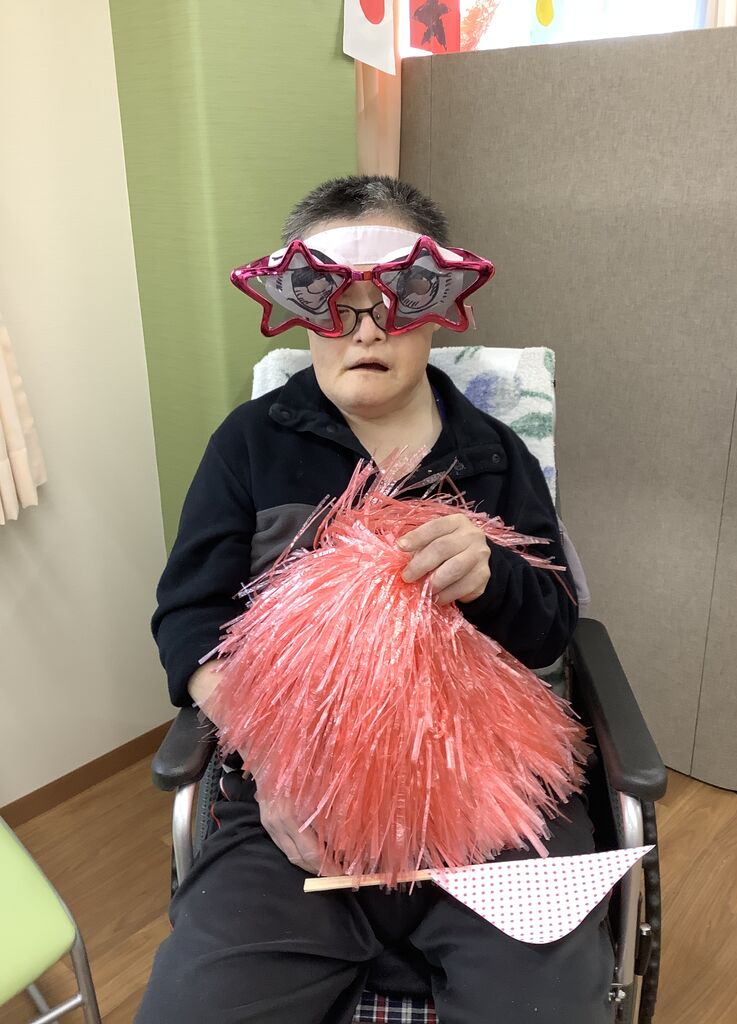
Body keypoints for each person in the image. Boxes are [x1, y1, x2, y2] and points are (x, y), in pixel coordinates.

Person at [136, 175, 615, 1024]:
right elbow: (190, 620)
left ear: (437, 308)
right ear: (300, 309)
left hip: (490, 805)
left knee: (546, 1004)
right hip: (300, 801)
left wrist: (493, 577)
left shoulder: (495, 456)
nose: (365, 330)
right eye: (335, 305)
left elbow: (551, 629)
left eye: (395, 301)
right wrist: (280, 762)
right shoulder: (250, 445)